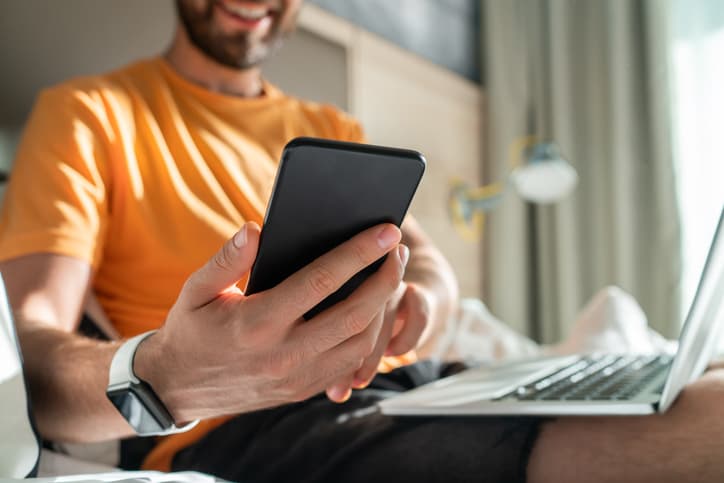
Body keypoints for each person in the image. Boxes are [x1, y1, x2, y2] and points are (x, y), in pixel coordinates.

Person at [1, 1, 723, 482]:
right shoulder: (91, 115)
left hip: (420, 384)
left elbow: (425, 255)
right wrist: (167, 375)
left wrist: (428, 300)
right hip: (247, 428)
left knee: (683, 383)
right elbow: (27, 354)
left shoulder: (328, 125)